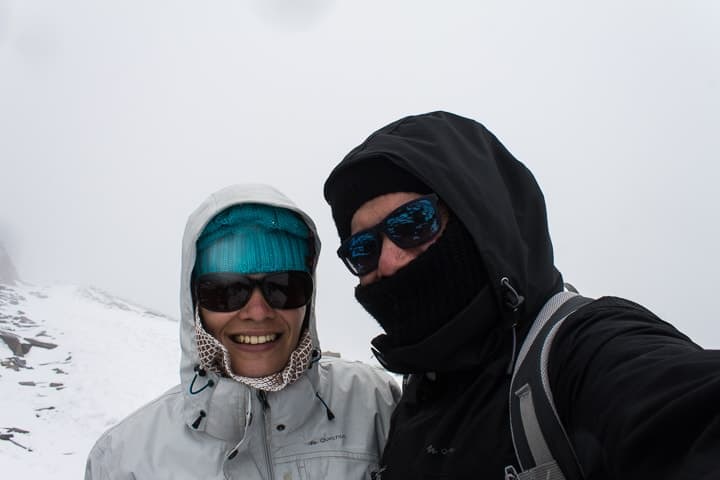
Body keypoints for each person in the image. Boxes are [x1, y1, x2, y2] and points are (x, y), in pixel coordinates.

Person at [323, 111, 720, 479]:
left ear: (478, 218)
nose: (389, 261)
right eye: (363, 249)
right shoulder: (410, 403)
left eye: (413, 222)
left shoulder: (578, 354)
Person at [85, 183, 400, 479]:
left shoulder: (375, 404)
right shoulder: (124, 460)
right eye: (226, 291)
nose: (258, 312)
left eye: (284, 287)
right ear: (195, 304)